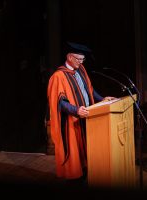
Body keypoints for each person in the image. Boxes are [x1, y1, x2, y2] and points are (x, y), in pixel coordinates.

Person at [47, 42, 115, 184]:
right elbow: (59, 102)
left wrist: (102, 99)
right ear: (69, 57)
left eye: (82, 60)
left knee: (86, 156)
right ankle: (74, 182)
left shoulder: (81, 70)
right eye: (78, 59)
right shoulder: (58, 76)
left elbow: (89, 90)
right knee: (75, 155)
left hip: (88, 116)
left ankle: (85, 177)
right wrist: (76, 110)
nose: (81, 62)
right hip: (71, 122)